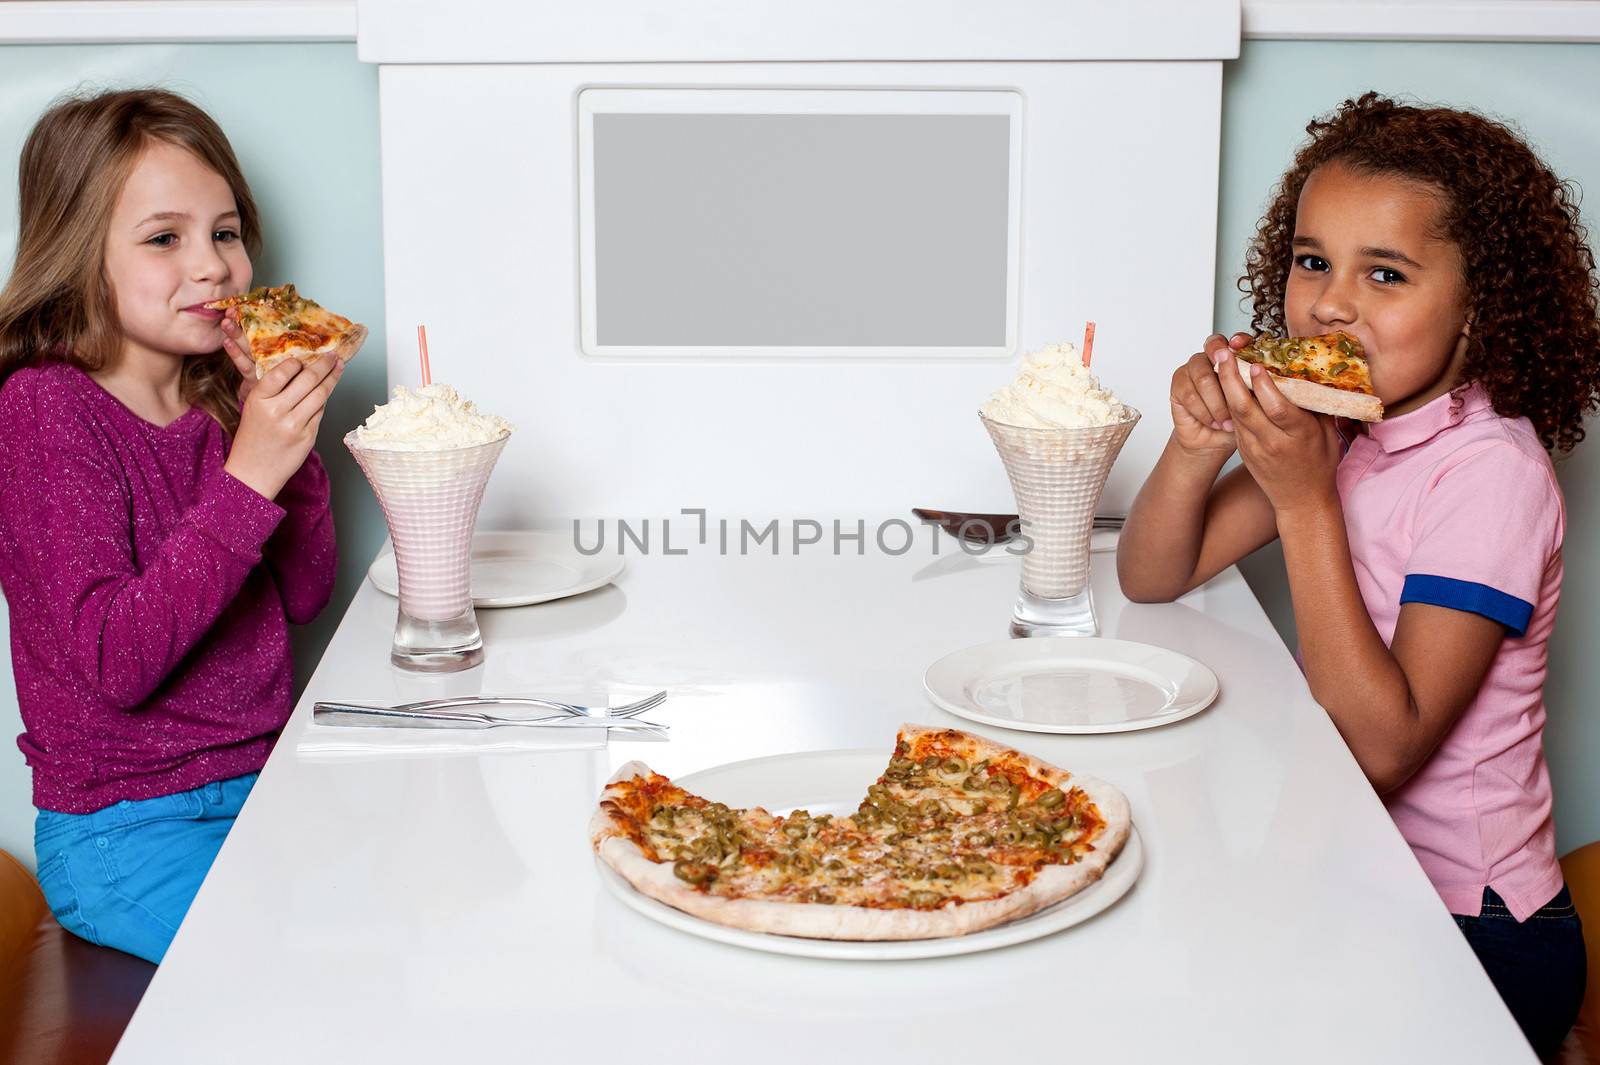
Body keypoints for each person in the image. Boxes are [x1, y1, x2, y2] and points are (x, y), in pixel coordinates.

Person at [1117, 92, 1598, 1060]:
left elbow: (1385, 748)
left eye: (1385, 273)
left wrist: (1302, 502)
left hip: (1470, 926)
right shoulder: (1343, 424)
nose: (1331, 303)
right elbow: (1151, 577)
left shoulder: (1488, 475)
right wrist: (1192, 444)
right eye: (1311, 261)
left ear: (1481, 306)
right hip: (1346, 866)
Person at [0, 89, 356, 963]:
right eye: (165, 238)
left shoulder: (220, 404)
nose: (213, 267)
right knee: (295, 980)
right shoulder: (46, 410)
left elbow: (308, 594)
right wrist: (254, 471)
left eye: (225, 232)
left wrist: (286, 437)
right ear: (81, 255)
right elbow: (117, 661)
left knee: (402, 927)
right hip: (128, 832)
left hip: (268, 791)